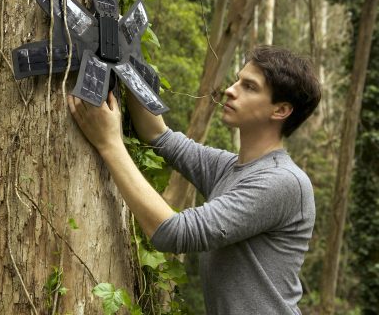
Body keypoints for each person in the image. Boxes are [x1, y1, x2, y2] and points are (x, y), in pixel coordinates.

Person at [67, 46, 321, 315]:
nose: (231, 90)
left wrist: (109, 144)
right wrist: (122, 57)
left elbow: (174, 233)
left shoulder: (283, 182)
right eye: (237, 80)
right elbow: (160, 137)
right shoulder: (231, 168)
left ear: (280, 110)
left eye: (249, 87)